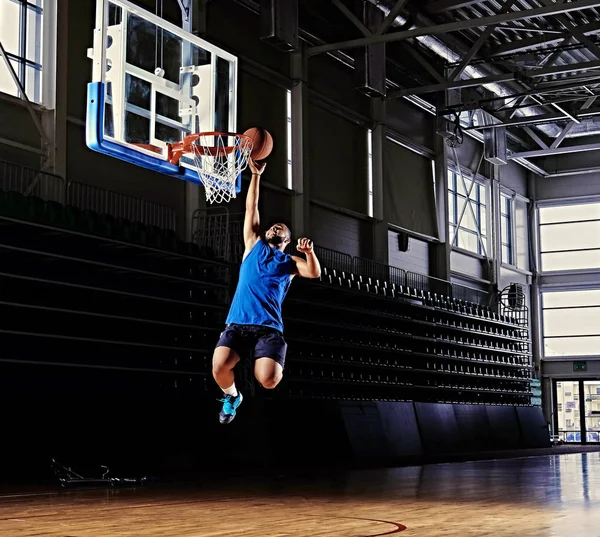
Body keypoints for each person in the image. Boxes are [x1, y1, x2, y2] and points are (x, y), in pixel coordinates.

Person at [211, 158, 321, 424]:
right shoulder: (253, 245)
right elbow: (251, 206)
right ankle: (232, 396)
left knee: (268, 380)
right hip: (237, 324)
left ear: (287, 240)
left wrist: (309, 253)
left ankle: (274, 365)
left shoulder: (290, 262)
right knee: (219, 367)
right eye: (273, 226)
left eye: (280, 229)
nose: (274, 228)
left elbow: (314, 273)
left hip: (268, 328)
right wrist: (256, 175)